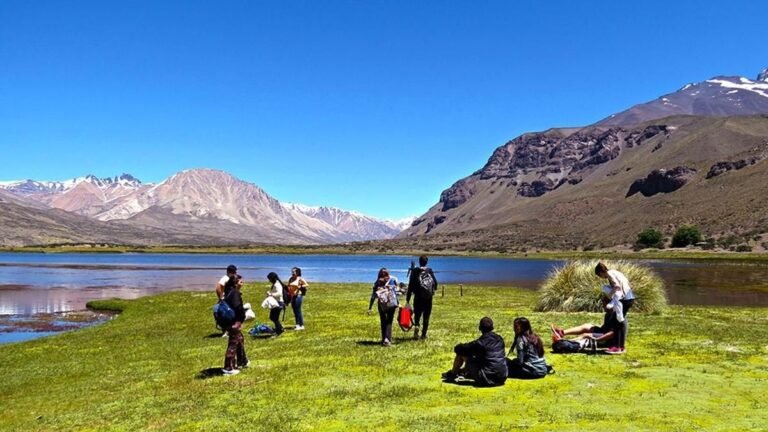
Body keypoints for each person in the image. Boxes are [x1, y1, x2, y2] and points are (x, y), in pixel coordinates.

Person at [441, 317, 507, 387]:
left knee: (462, 354)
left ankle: (453, 374)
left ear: (480, 328)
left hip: (487, 378)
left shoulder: (480, 343)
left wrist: (458, 347)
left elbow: (460, 349)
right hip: (502, 377)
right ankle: (463, 372)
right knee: (478, 358)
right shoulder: (500, 339)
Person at [595, 262, 636, 354]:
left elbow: (617, 287)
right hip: (629, 298)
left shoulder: (609, 274)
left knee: (617, 323)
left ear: (601, 272)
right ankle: (620, 347)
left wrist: (609, 297)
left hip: (624, 300)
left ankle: (617, 347)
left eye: (599, 276)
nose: (601, 278)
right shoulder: (615, 272)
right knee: (619, 322)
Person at [550, 302, 621, 350]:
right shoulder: (609, 313)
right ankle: (561, 332)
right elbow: (606, 328)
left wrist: (596, 339)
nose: (602, 305)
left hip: (608, 340)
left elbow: (612, 334)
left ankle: (564, 342)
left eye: (604, 303)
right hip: (604, 333)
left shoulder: (615, 316)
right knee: (587, 326)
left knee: (585, 335)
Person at [406, 255, 438, 340]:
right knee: (426, 316)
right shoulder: (429, 270)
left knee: (417, 315)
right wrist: (432, 291)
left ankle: (416, 327)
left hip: (418, 297)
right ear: (426, 262)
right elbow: (435, 283)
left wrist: (408, 299)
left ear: (419, 261)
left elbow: (410, 286)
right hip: (428, 298)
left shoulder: (415, 271)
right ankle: (424, 334)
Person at [223, 275, 249, 375]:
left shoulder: (230, 292)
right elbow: (237, 307)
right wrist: (242, 317)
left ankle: (242, 361)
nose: (242, 283)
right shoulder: (234, 293)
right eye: (240, 281)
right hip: (234, 321)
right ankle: (228, 367)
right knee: (233, 343)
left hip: (232, 321)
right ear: (235, 283)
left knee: (240, 339)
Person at [367, 268, 399, 347]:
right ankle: (387, 339)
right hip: (391, 303)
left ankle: (384, 338)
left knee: (383, 320)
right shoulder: (392, 280)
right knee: (389, 321)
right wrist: (397, 302)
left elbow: (373, 296)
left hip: (381, 304)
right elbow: (396, 292)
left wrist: (370, 307)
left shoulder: (378, 282)